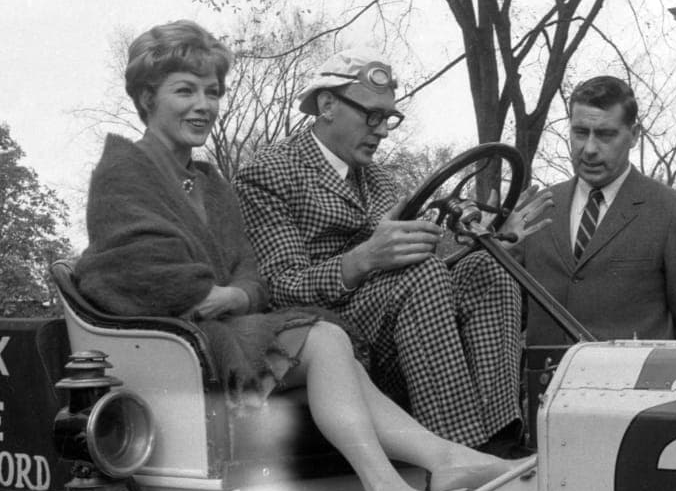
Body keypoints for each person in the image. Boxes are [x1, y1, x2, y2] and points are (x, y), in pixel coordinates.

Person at [74, 21, 517, 491]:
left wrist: (237, 293)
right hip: (177, 339)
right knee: (326, 336)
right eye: (185, 90)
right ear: (147, 97)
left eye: (212, 92)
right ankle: (404, 478)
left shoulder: (210, 182)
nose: (204, 105)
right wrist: (222, 292)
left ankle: (451, 461)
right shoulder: (123, 172)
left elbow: (246, 271)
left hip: (227, 322)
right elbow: (142, 268)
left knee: (455, 287)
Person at [234, 48, 551, 456]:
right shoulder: (270, 173)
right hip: (321, 337)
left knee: (487, 270)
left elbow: (425, 262)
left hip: (396, 325)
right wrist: (363, 259)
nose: (383, 130)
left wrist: (487, 241)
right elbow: (279, 288)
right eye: (373, 116)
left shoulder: (381, 179)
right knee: (419, 276)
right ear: (327, 104)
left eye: (389, 119)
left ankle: (502, 439)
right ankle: (461, 454)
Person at [519, 75, 676, 345]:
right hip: (543, 386)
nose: (589, 149)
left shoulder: (673, 213)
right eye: (580, 132)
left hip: (630, 386)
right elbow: (502, 316)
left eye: (606, 135)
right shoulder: (538, 209)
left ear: (634, 136)